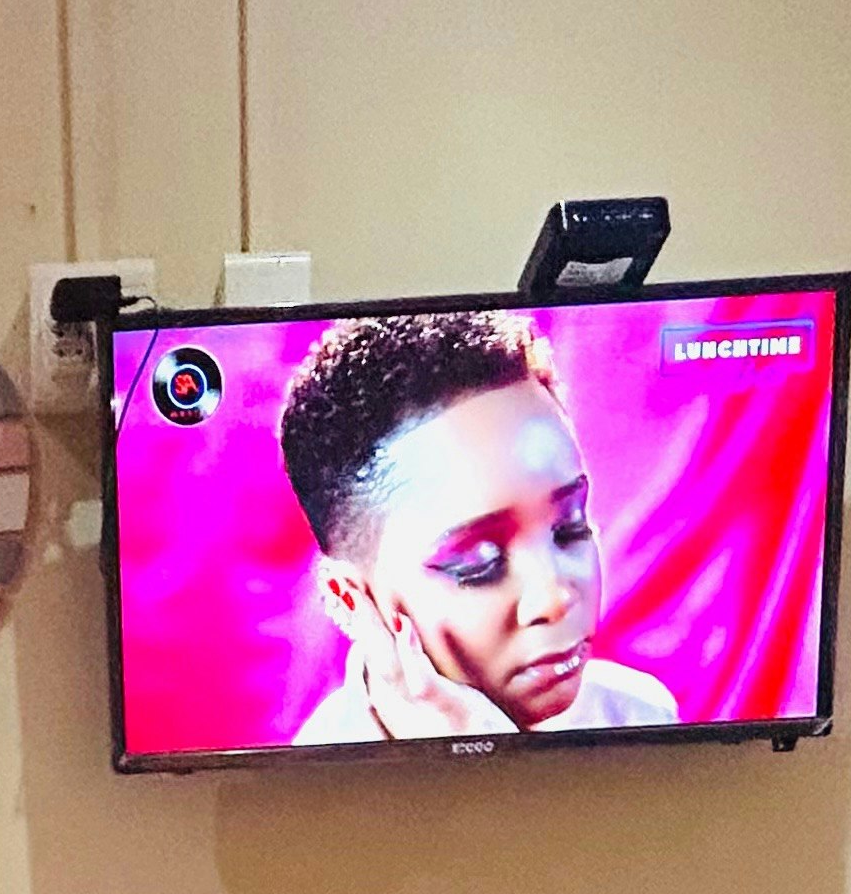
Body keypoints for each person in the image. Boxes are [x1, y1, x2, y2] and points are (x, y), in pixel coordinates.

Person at [274, 309, 680, 743]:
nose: (556, 599)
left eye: (570, 527)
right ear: (353, 601)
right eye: (478, 563)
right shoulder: (310, 773)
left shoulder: (636, 714)